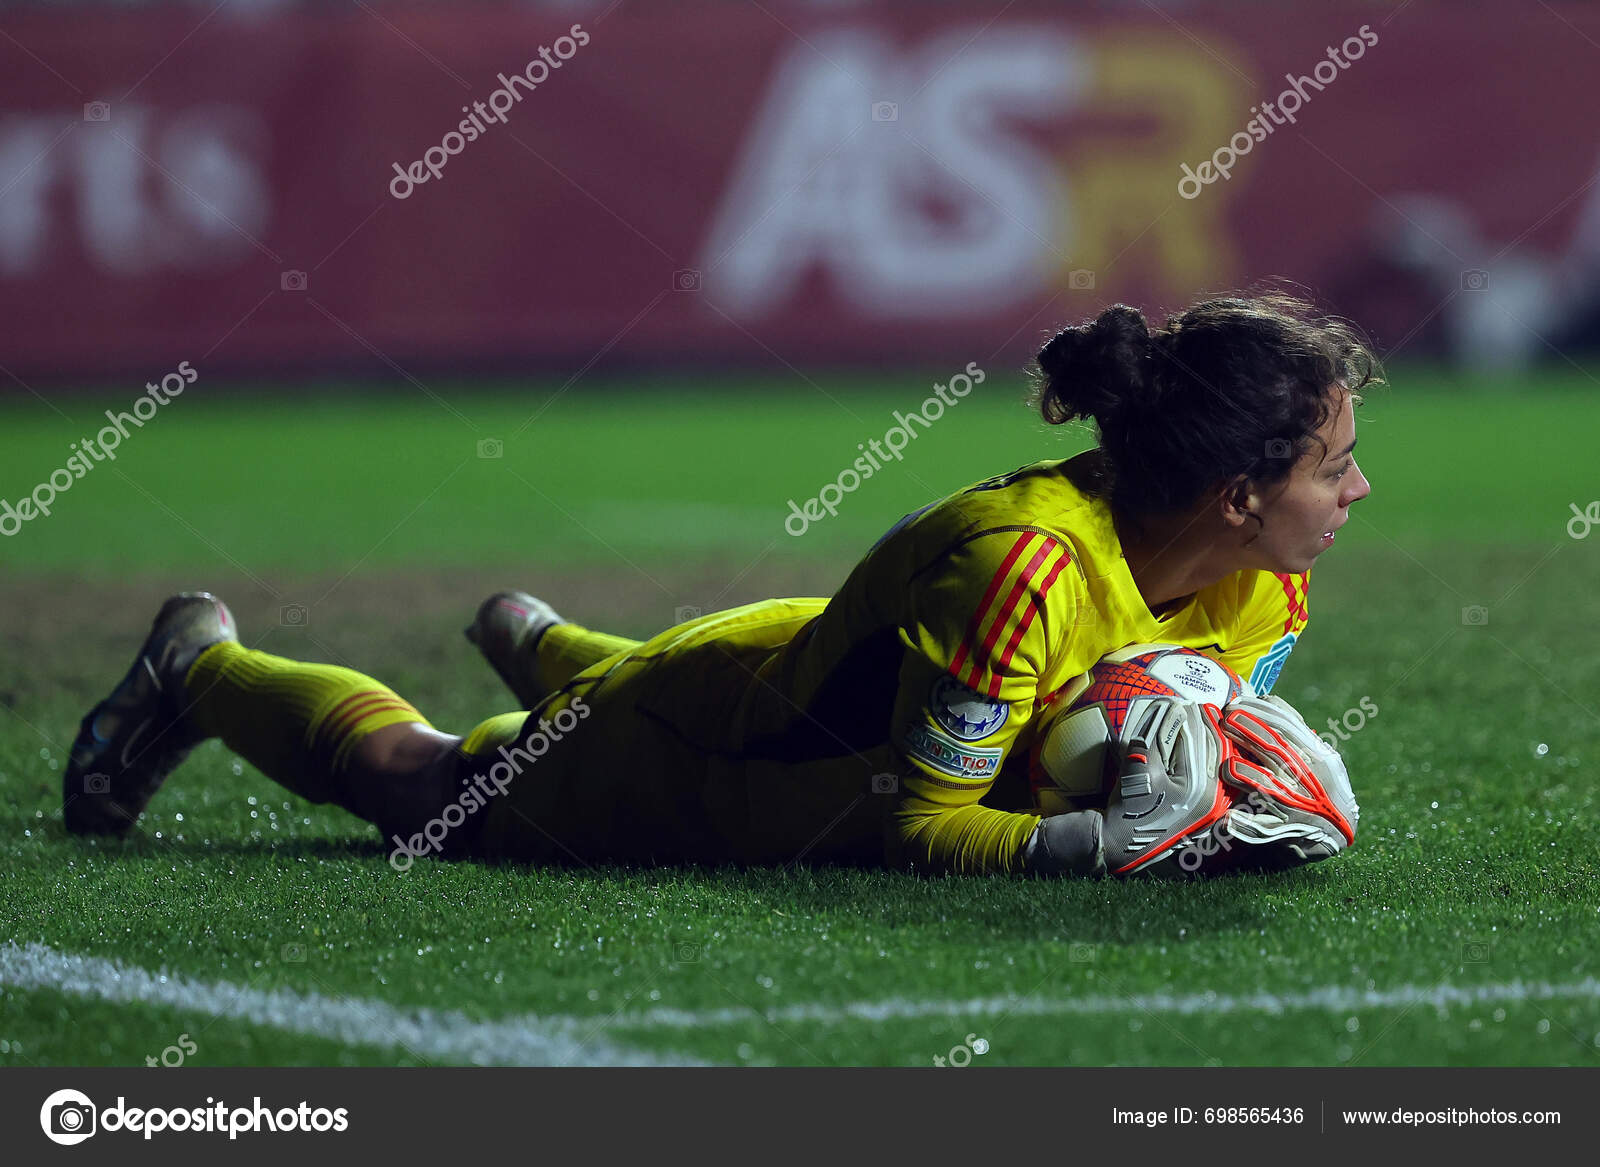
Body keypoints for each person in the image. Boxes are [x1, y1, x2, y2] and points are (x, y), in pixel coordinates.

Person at [63, 293, 1376, 878]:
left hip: (799, 673)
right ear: (1238, 494)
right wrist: (1101, 850)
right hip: (715, 754)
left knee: (625, 686)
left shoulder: (1264, 581)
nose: (1356, 493)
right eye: (1337, 465)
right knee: (427, 793)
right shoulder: (1026, 571)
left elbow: (1172, 733)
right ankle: (201, 668)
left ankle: (558, 652)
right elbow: (921, 830)